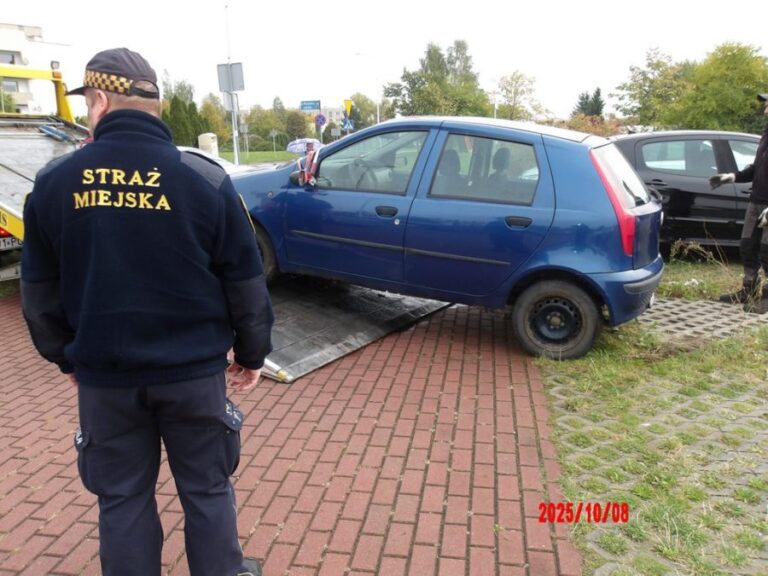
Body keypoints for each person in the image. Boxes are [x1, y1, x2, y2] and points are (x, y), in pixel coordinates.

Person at [20, 48, 273, 576]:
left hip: (107, 380)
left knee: (122, 497)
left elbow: (39, 292)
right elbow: (245, 281)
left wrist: (66, 357)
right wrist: (252, 354)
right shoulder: (202, 178)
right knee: (206, 488)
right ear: (155, 105)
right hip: (193, 376)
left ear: (99, 100)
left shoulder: (55, 182)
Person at [710, 92, 768, 313]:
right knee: (747, 246)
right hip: (756, 202)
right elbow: (757, 168)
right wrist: (732, 177)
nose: (765, 110)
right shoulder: (766, 135)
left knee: (767, 252)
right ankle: (748, 290)